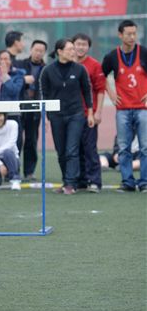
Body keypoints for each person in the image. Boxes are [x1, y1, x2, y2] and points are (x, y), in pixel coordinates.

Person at [40, 39, 93, 195]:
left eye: (73, 49)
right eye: (70, 49)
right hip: (56, 116)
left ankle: (71, 184)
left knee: (72, 150)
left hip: (76, 114)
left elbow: (87, 91)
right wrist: (45, 117)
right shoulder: (48, 71)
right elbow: (43, 95)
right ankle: (66, 182)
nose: (73, 52)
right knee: (61, 151)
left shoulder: (80, 69)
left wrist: (89, 112)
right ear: (59, 51)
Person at [101, 19, 147, 193]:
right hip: (123, 110)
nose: (132, 36)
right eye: (128, 34)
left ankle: (144, 182)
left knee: (145, 147)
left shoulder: (143, 52)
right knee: (124, 147)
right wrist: (112, 94)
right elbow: (101, 76)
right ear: (120, 35)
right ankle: (127, 182)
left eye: (134, 33)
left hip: (143, 109)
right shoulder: (112, 56)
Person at [73, 33, 106, 193]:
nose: (80, 47)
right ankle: (80, 181)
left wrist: (98, 112)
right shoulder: (66, 64)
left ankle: (95, 181)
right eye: (78, 44)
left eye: (84, 45)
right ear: (72, 45)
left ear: (88, 47)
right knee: (75, 149)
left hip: (89, 114)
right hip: (71, 116)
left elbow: (100, 90)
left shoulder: (94, 65)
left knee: (90, 148)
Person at [18, 40, 47, 181]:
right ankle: (14, 171)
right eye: (36, 50)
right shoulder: (20, 64)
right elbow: (14, 80)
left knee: (31, 141)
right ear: (31, 50)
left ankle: (29, 172)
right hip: (19, 108)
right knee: (16, 140)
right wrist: (23, 80)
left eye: (41, 51)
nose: (38, 53)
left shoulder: (46, 69)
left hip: (35, 112)